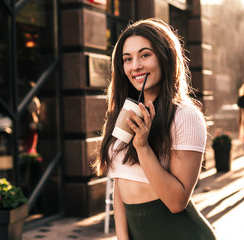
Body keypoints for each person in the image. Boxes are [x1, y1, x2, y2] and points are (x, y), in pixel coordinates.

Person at [93, 18, 217, 240]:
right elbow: (120, 183)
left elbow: (177, 202)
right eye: (127, 59)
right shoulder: (124, 113)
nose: (135, 66)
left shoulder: (185, 116)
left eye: (145, 55)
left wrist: (142, 147)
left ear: (164, 57)